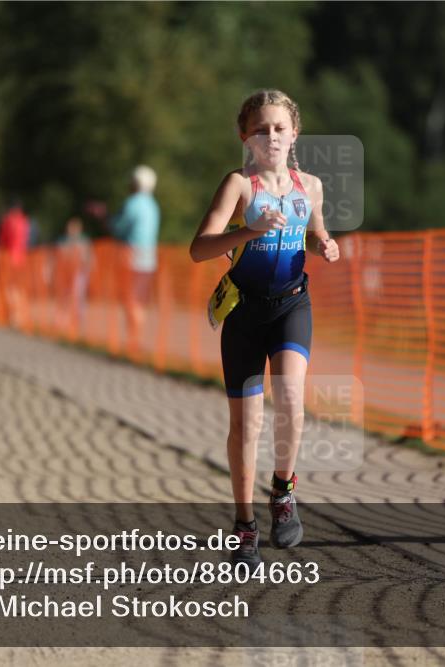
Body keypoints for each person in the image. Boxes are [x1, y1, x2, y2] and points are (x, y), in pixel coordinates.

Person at [189, 89, 340, 569]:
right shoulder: (239, 185)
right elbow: (199, 248)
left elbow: (314, 233)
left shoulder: (310, 186)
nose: (271, 137)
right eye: (260, 129)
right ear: (245, 137)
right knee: (247, 425)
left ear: (294, 134)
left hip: (292, 305)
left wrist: (325, 244)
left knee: (292, 399)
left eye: (279, 128)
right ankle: (244, 525)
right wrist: (249, 231)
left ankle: (283, 491)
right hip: (245, 313)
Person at [109, 165, 160, 358]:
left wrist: (109, 221)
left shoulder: (132, 203)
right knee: (140, 301)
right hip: (148, 260)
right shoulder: (153, 205)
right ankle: (136, 339)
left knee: (130, 300)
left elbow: (119, 228)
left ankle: (133, 341)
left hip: (130, 259)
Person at [56, 216, 93, 338]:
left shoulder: (84, 242)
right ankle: (63, 320)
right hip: (66, 275)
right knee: (65, 297)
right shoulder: (63, 242)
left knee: (78, 296)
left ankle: (77, 320)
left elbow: (88, 259)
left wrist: (86, 268)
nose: (71, 230)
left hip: (79, 274)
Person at [0, 198, 30, 327]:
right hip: (22, 258)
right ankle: (18, 315)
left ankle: (13, 315)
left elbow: (3, 239)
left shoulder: (8, 220)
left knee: (10, 288)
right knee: (19, 288)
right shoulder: (25, 221)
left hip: (9, 258)